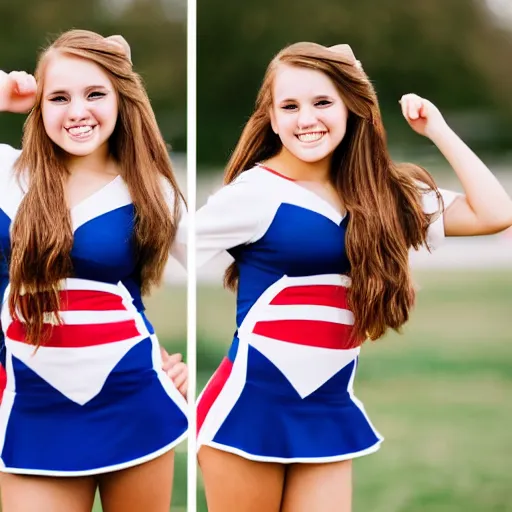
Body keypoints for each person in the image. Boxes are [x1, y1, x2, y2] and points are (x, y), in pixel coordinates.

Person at [195, 42, 512, 512]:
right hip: (249, 411)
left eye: (322, 102)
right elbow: (160, 249)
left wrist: (439, 130)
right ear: (272, 117)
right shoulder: (254, 193)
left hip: (326, 411)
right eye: (290, 106)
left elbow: (495, 212)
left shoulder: (382, 195)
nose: (307, 119)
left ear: (350, 105)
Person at [0, 30, 188, 512]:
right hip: (30, 407)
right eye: (59, 96)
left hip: (134, 397)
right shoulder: (7, 175)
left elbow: (250, 260)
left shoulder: (152, 192)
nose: (77, 111)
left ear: (121, 100)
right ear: (38, 106)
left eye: (95, 93)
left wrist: (211, 368)